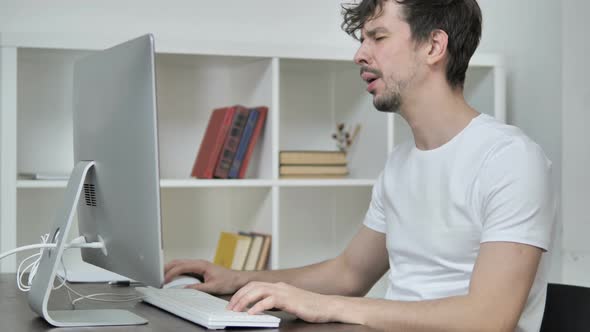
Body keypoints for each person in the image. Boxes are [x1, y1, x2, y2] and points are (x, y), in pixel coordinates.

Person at [165, 1, 556, 331]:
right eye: (363, 39)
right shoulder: (401, 164)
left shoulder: (509, 159)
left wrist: (328, 306)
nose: (360, 54)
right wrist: (237, 279)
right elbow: (349, 273)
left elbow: (488, 319)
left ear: (434, 45)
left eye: (379, 37)